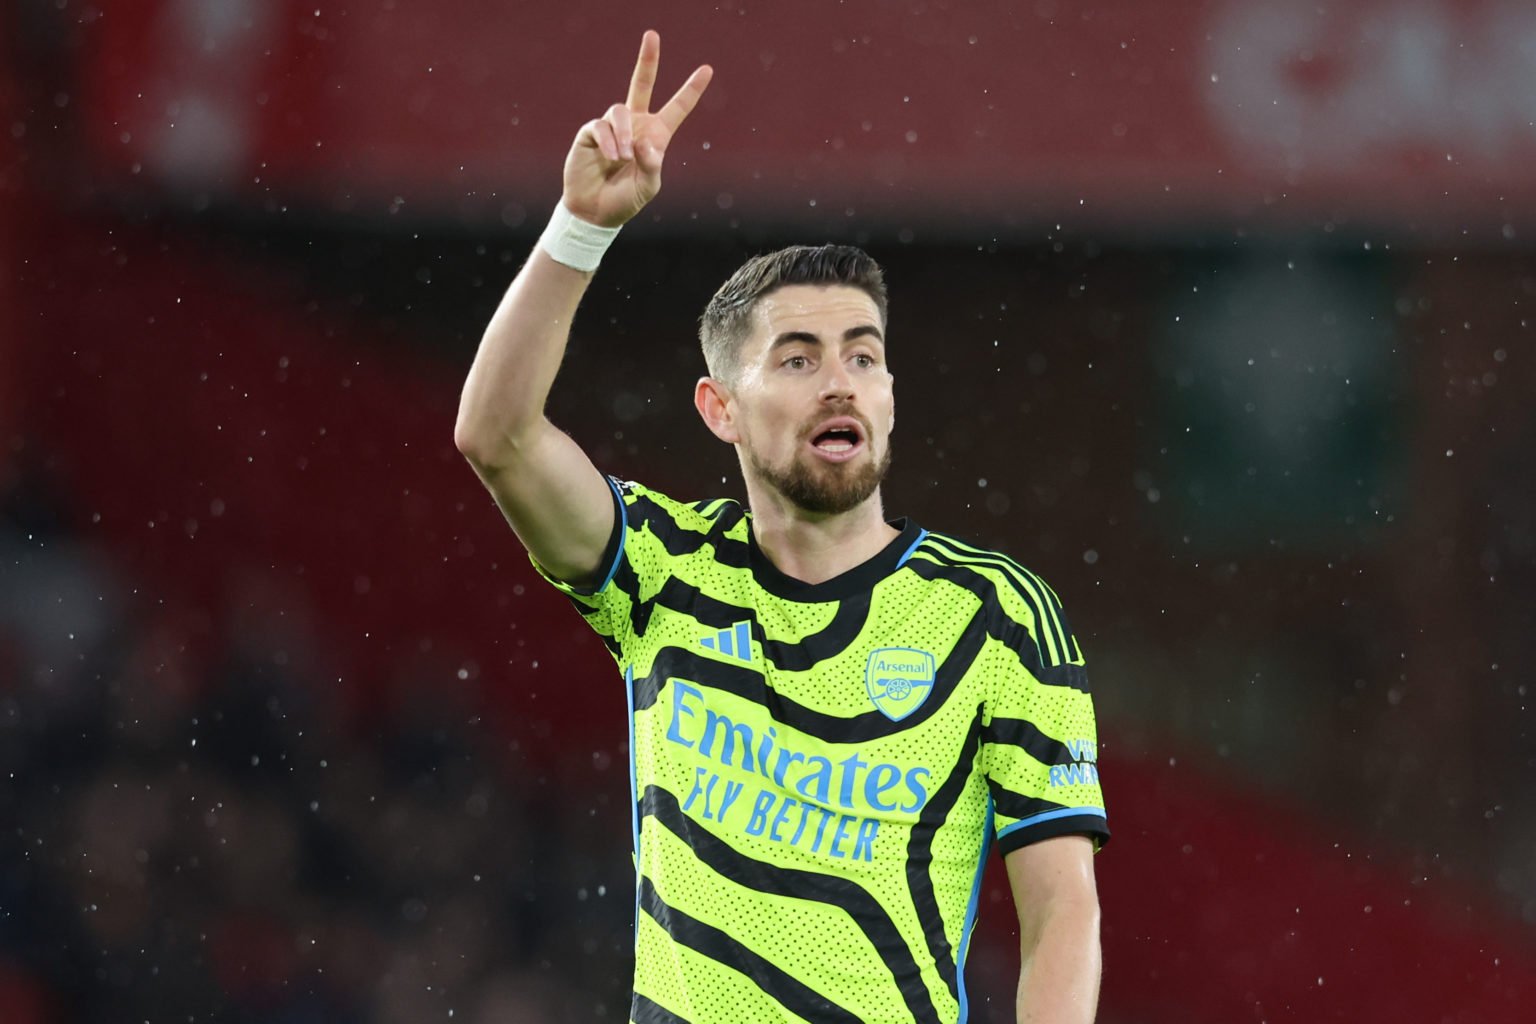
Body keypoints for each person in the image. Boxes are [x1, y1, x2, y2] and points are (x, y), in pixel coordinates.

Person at [454, 30, 1107, 1024]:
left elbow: (1062, 912)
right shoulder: (661, 567)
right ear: (721, 408)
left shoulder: (999, 616)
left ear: (890, 393)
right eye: (797, 358)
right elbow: (497, 435)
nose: (839, 378)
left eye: (863, 354)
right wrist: (580, 229)